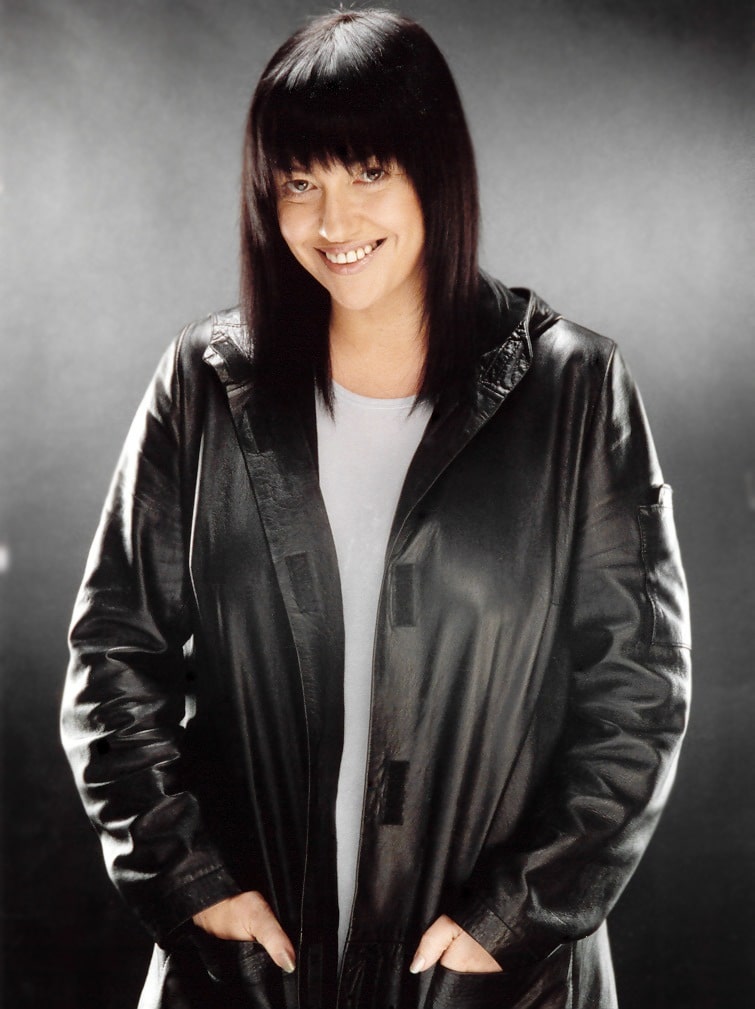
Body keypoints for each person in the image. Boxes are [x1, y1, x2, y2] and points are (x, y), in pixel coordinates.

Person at [60, 8, 691, 1009]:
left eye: (366, 172)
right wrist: (193, 883)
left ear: (435, 171)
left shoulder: (573, 390)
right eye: (297, 182)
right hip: (248, 976)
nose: (332, 222)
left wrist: (510, 921)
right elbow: (112, 654)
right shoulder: (204, 382)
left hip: (493, 981)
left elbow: (637, 694)